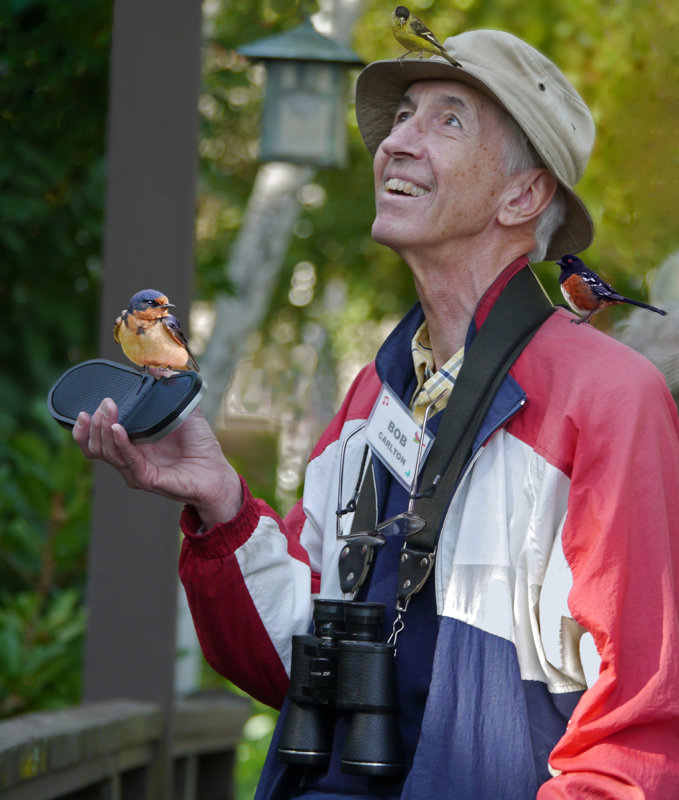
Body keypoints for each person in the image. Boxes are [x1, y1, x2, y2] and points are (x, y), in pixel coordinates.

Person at [73, 29, 679, 800]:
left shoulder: (606, 400)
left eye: (447, 119)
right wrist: (219, 502)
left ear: (522, 196)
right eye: (401, 117)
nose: (396, 141)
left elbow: (638, 738)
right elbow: (291, 665)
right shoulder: (375, 392)